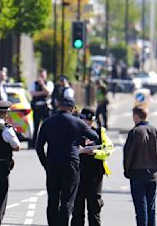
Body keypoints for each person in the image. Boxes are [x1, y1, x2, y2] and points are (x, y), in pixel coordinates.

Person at [36, 97, 99, 226]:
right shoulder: (77, 123)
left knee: (52, 200)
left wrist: (45, 163)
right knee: (67, 200)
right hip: (71, 164)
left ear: (59, 105)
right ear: (72, 108)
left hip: (52, 164)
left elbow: (39, 147)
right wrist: (80, 139)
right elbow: (95, 136)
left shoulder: (48, 122)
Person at [123, 106, 157, 226]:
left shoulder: (135, 132)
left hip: (137, 173)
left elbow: (128, 154)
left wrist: (127, 171)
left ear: (136, 116)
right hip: (152, 174)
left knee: (141, 207)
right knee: (151, 207)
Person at [71, 108, 113, 226]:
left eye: (90, 121)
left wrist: (94, 153)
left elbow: (108, 151)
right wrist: (78, 151)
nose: (87, 124)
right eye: (84, 120)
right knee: (77, 210)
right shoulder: (74, 132)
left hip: (95, 176)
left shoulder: (100, 132)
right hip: (77, 174)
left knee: (94, 209)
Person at [30, 69, 54, 148]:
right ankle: (33, 144)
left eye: (43, 75)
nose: (41, 77)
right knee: (35, 126)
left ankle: (49, 143)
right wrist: (42, 93)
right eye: (40, 75)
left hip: (46, 108)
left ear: (46, 75)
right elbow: (33, 93)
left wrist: (42, 85)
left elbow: (48, 92)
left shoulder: (49, 83)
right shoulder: (33, 83)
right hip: (36, 108)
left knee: (48, 126)